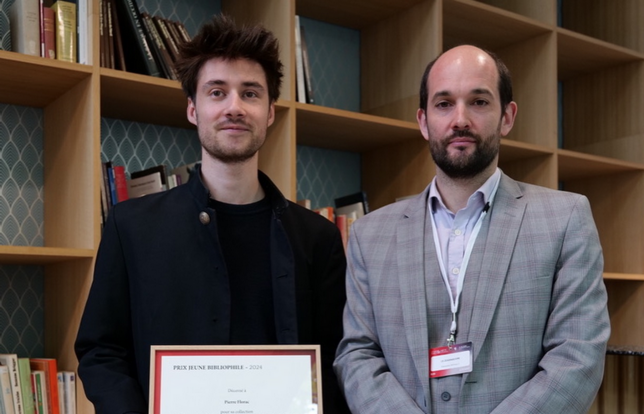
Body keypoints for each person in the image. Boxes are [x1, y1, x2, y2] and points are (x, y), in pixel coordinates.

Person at [75, 14, 349, 414]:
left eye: (250, 93)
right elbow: (101, 350)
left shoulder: (317, 237)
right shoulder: (131, 226)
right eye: (217, 92)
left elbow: (337, 357)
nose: (234, 107)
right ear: (193, 109)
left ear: (270, 112)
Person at [333, 45, 610, 413]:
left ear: (507, 117)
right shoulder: (369, 235)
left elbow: (578, 355)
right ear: (423, 121)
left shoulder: (565, 218)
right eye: (444, 104)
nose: (460, 119)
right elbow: (358, 355)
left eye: (479, 102)